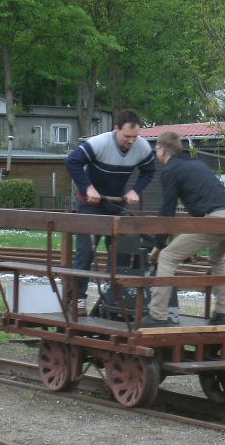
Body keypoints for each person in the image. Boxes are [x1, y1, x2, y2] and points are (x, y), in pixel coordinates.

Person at [141, 130, 225, 328]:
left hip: (215, 219)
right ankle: (222, 313)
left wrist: (158, 245)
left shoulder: (170, 170)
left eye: (156, 150)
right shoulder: (197, 164)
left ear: (161, 150)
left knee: (167, 257)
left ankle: (157, 315)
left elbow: (167, 211)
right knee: (217, 259)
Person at [64, 109, 156, 314]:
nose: (131, 141)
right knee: (85, 253)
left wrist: (135, 190)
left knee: (122, 250)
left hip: (116, 204)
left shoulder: (141, 147)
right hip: (90, 204)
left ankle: (113, 299)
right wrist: (87, 188)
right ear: (116, 129)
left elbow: (149, 170)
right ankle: (77, 299)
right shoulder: (100, 143)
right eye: (127, 136)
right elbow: (72, 161)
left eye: (135, 137)